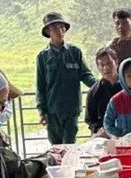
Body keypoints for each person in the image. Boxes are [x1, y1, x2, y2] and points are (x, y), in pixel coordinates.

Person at [35, 11, 95, 145]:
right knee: (56, 148)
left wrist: (99, 84)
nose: (59, 31)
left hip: (71, 110)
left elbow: (85, 75)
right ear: (48, 31)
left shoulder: (75, 52)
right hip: (52, 111)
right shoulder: (42, 57)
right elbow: (40, 85)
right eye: (54, 28)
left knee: (69, 146)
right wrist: (42, 110)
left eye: (62, 27)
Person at [85, 47, 122, 137]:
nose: (106, 68)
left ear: (116, 62)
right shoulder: (94, 91)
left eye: (109, 63)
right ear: (98, 67)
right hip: (104, 135)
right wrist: (98, 129)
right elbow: (90, 119)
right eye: (102, 65)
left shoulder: (127, 86)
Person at [104, 58, 131, 137]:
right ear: (122, 78)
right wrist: (121, 134)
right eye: (129, 76)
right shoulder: (116, 100)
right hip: (125, 141)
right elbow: (107, 124)